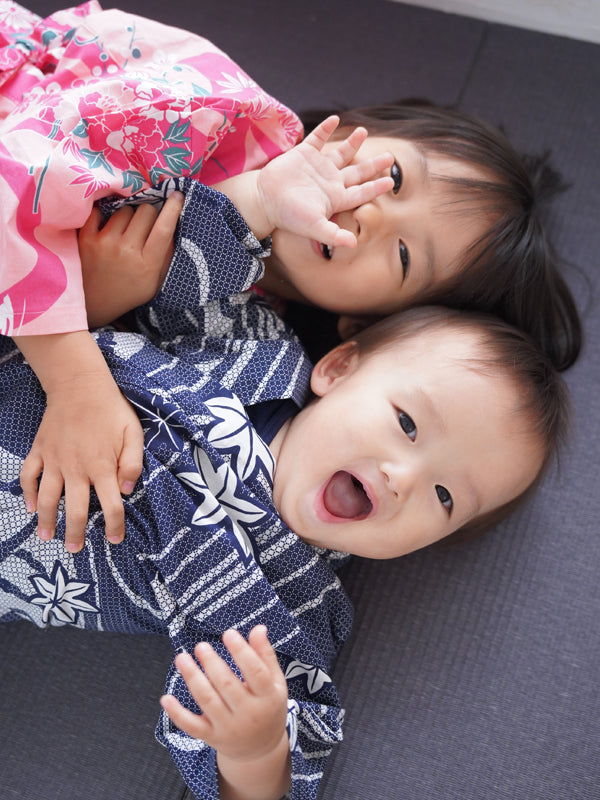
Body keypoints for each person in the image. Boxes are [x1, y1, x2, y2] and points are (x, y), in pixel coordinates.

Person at [0, 3, 580, 550]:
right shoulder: (218, 114)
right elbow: (17, 172)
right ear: (354, 126)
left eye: (404, 257)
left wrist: (98, 304)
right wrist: (75, 379)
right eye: (394, 178)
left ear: (364, 324)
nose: (369, 213)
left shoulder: (247, 336)